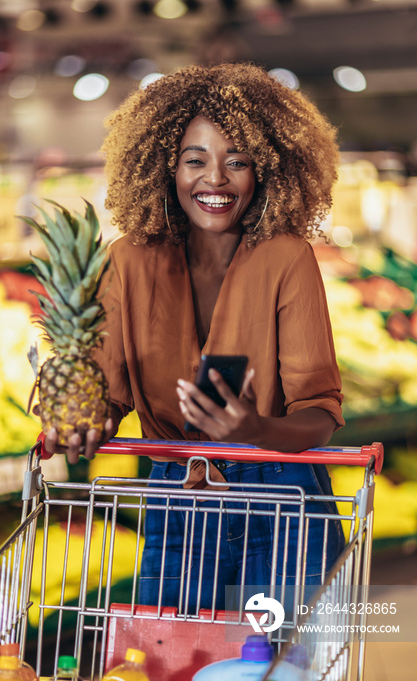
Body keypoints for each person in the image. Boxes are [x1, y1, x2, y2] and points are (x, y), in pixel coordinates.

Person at [44, 62, 345, 611]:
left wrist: (251, 426)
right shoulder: (128, 261)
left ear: (267, 172)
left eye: (238, 162)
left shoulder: (287, 257)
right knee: (172, 673)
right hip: (178, 499)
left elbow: (320, 416)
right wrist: (82, 425)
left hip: (280, 501)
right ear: (165, 167)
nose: (215, 179)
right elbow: (110, 398)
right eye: (195, 160)